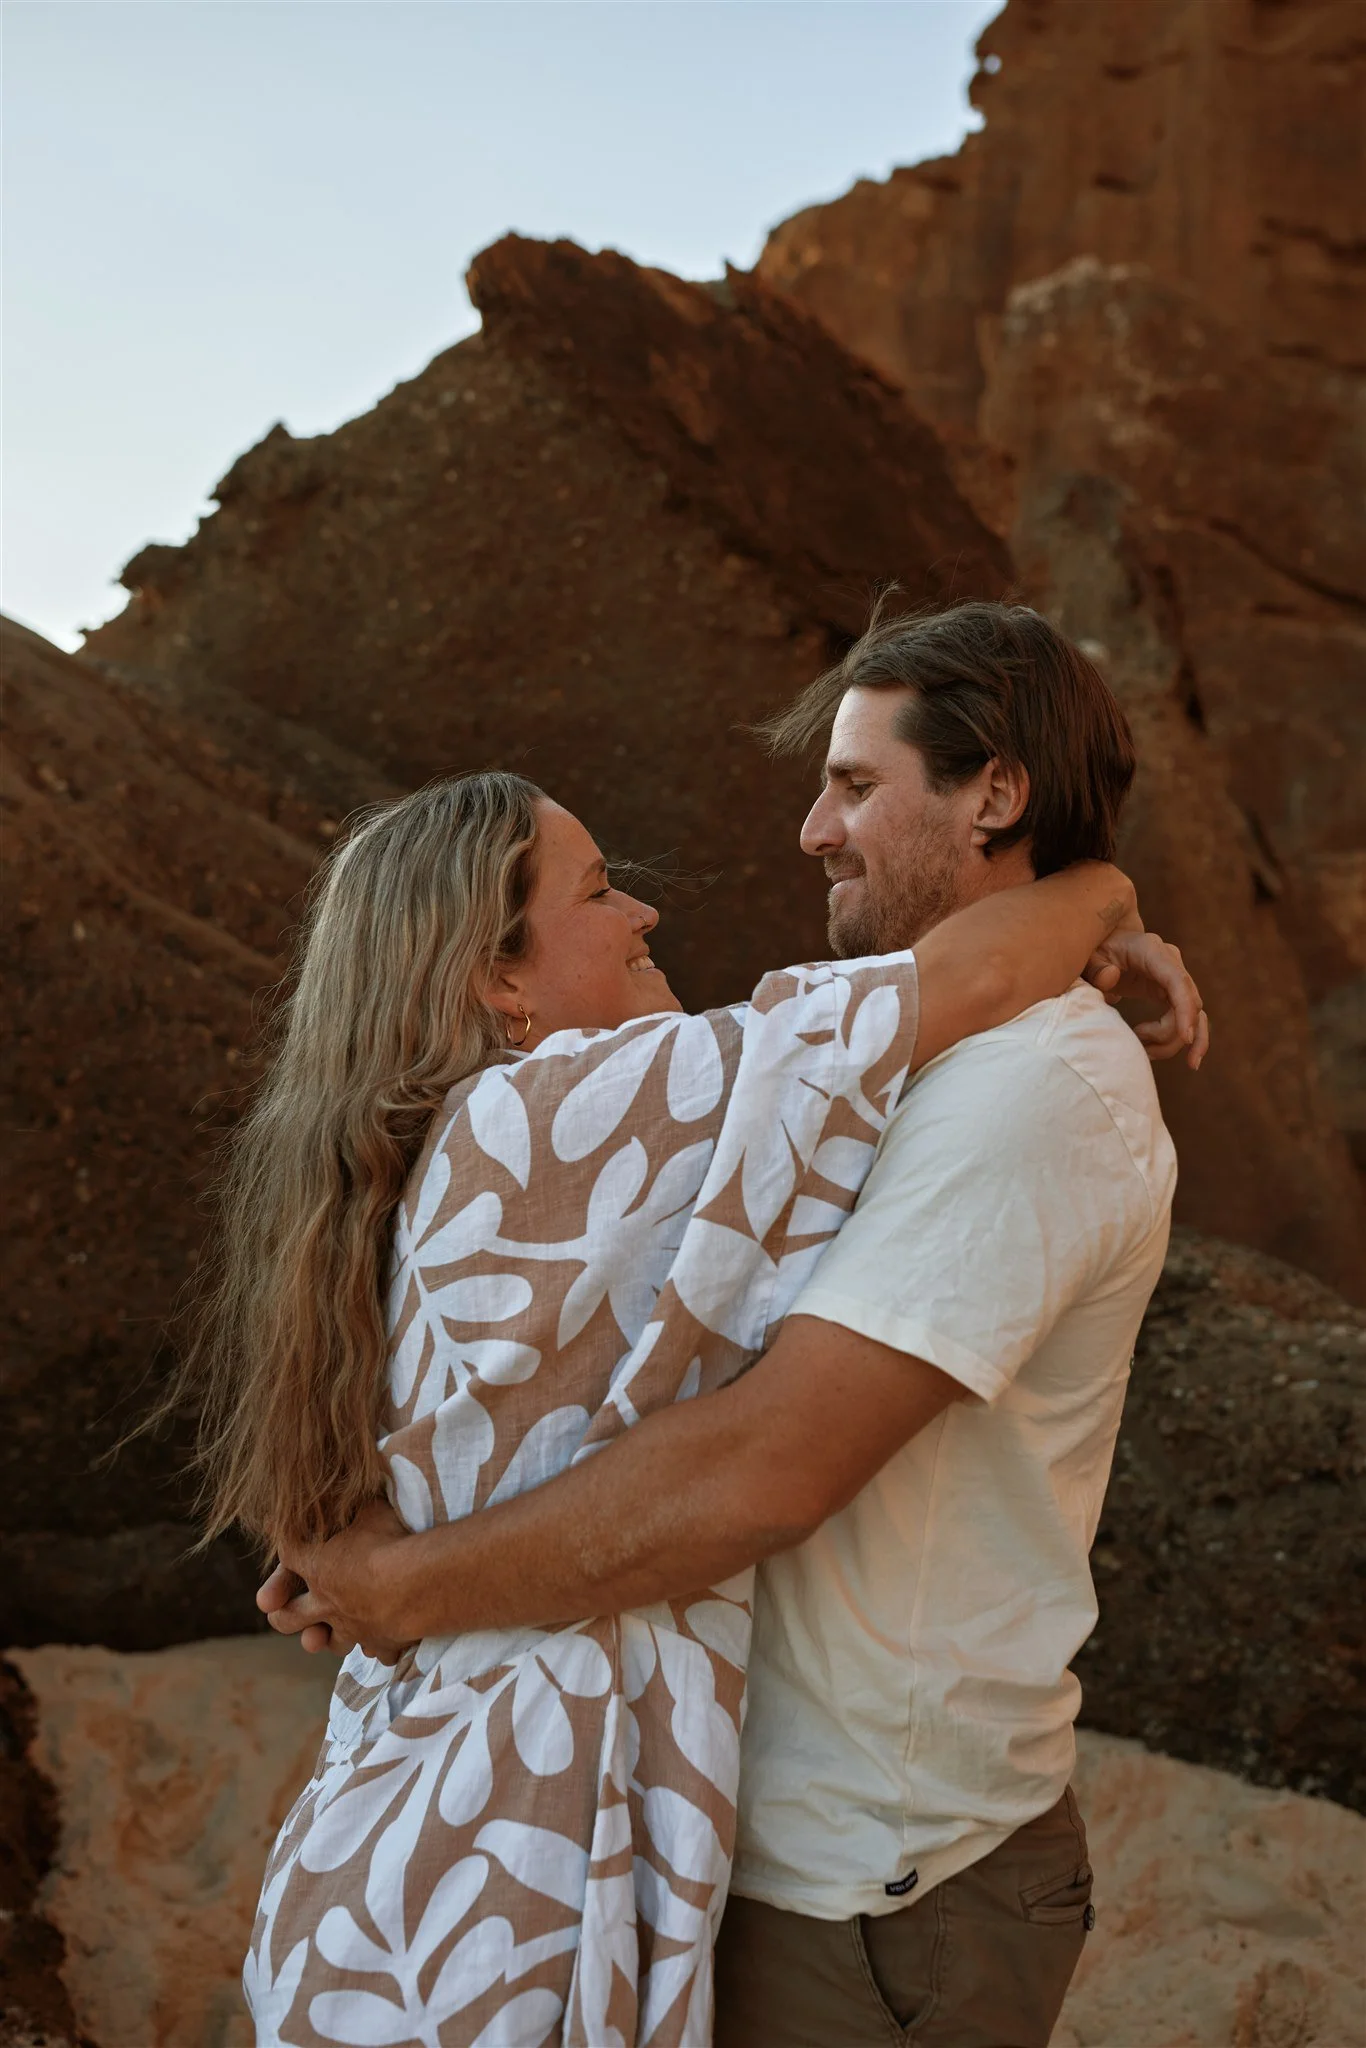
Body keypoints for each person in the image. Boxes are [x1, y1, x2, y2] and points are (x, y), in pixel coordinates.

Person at [254, 602, 1203, 2046]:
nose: (810, 831)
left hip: (865, 1881)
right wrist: (1098, 895)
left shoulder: (1027, 1086)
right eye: (599, 893)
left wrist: (397, 1580)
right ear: (492, 975)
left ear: (996, 794)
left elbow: (761, 1467)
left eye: (854, 785)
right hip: (667, 1836)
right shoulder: (691, 1098)